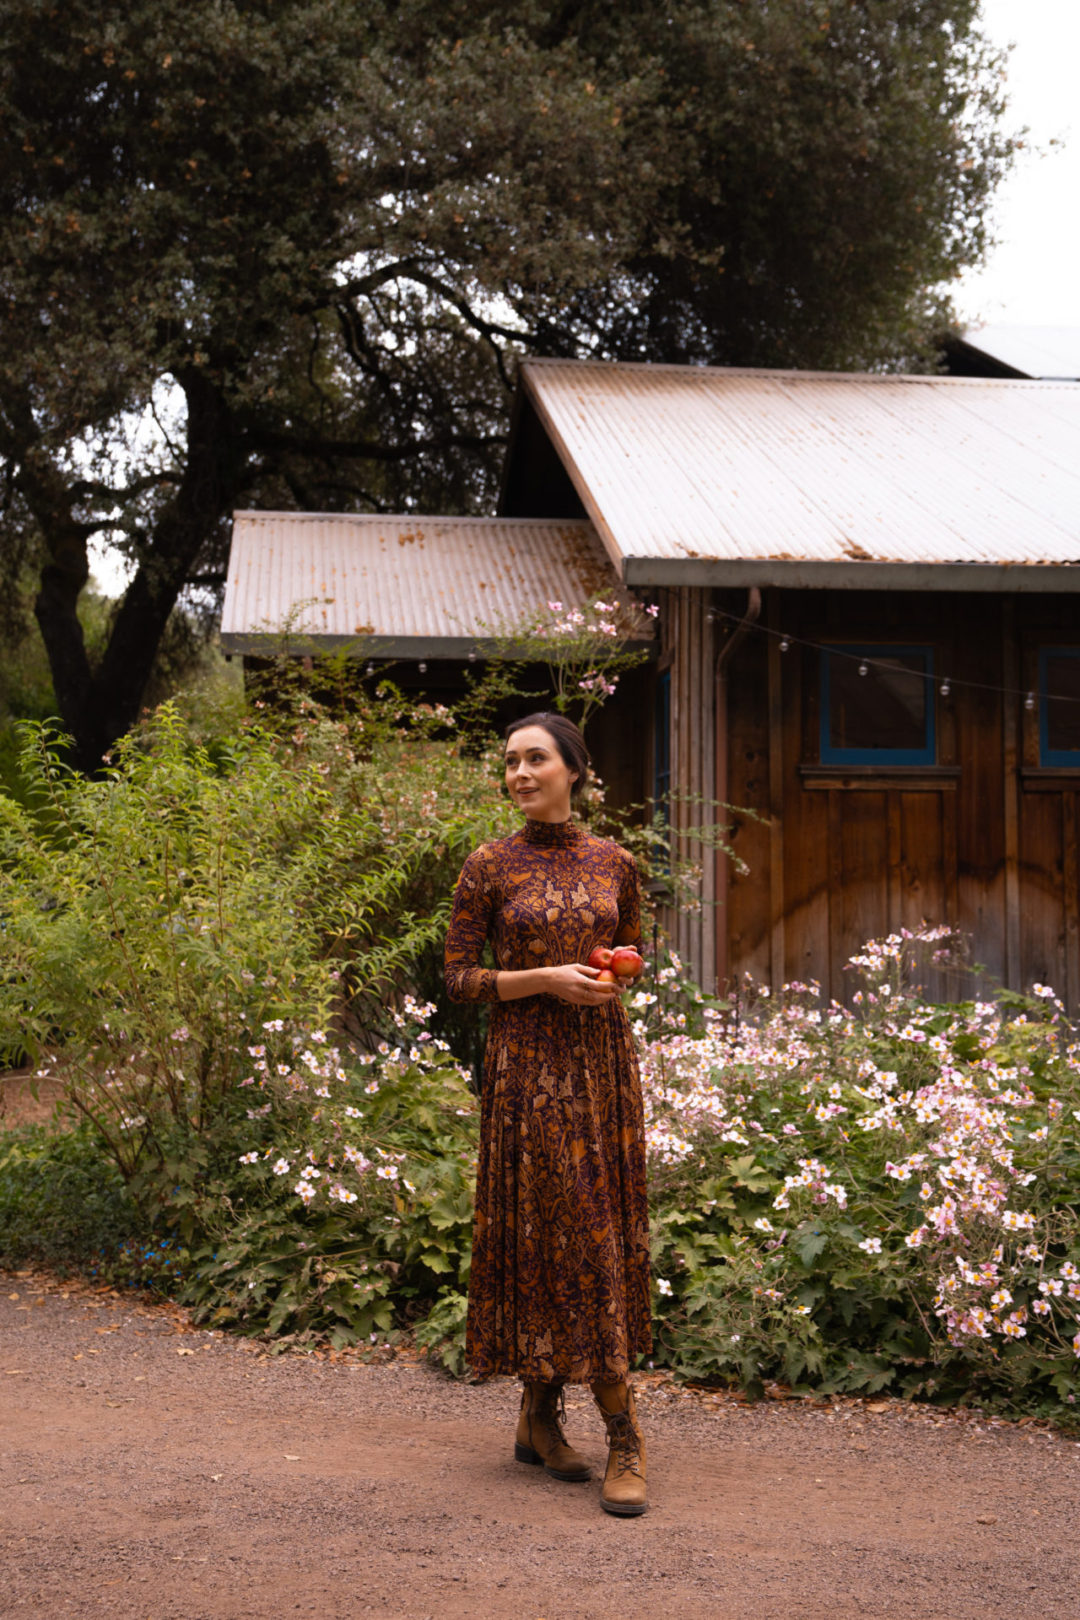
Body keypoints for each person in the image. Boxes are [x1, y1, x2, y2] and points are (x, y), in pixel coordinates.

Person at [444, 711, 651, 1516]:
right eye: (510, 763)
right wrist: (541, 979)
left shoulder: (616, 862)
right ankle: (620, 1427)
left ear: (574, 768)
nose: (520, 774)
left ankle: (539, 1415)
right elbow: (460, 977)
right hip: (525, 1071)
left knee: (590, 1223)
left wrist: (610, 974)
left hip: (600, 1068)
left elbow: (630, 948)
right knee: (549, 1226)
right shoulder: (488, 866)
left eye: (535, 759)